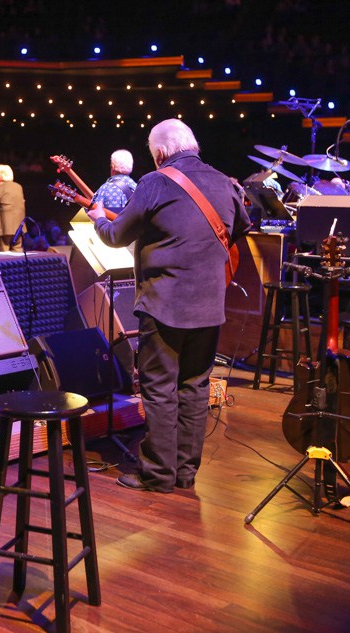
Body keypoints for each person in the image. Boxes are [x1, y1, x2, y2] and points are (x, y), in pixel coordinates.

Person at [86, 118, 251, 493]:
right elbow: (241, 225)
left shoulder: (155, 182)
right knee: (195, 386)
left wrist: (97, 218)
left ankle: (157, 474)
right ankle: (184, 473)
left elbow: (115, 235)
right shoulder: (225, 181)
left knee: (160, 388)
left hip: (164, 304)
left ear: (159, 152)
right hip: (210, 303)